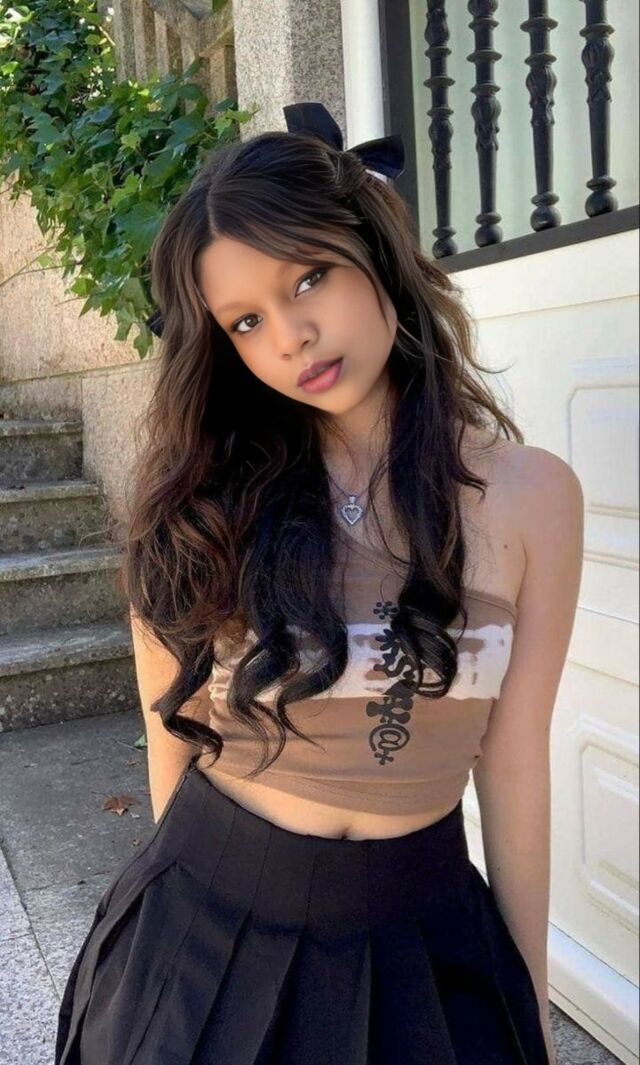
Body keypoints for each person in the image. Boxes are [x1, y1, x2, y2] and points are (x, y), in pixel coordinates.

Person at [54, 101, 583, 1065]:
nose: (292, 335)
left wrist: (530, 1004)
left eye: (309, 276)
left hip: (429, 938)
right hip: (203, 931)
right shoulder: (201, 505)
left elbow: (514, 765)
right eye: (247, 320)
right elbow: (172, 745)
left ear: (374, 252)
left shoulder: (531, 495)